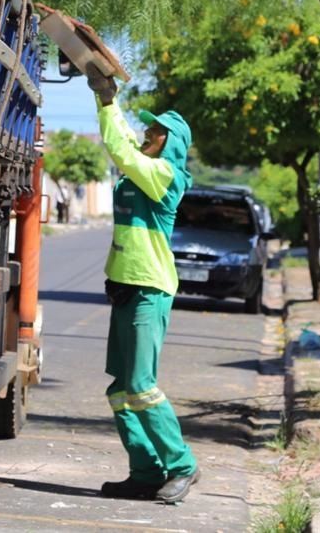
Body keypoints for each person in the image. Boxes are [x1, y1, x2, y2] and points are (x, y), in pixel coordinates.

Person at [87, 71, 199, 504]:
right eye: (149, 128)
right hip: (126, 288)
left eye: (157, 131)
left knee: (141, 385)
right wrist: (106, 102)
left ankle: (182, 465)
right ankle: (146, 472)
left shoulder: (166, 175)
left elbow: (120, 148)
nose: (148, 133)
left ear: (171, 143)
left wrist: (108, 101)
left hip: (150, 289)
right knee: (120, 390)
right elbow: (123, 142)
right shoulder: (141, 172)